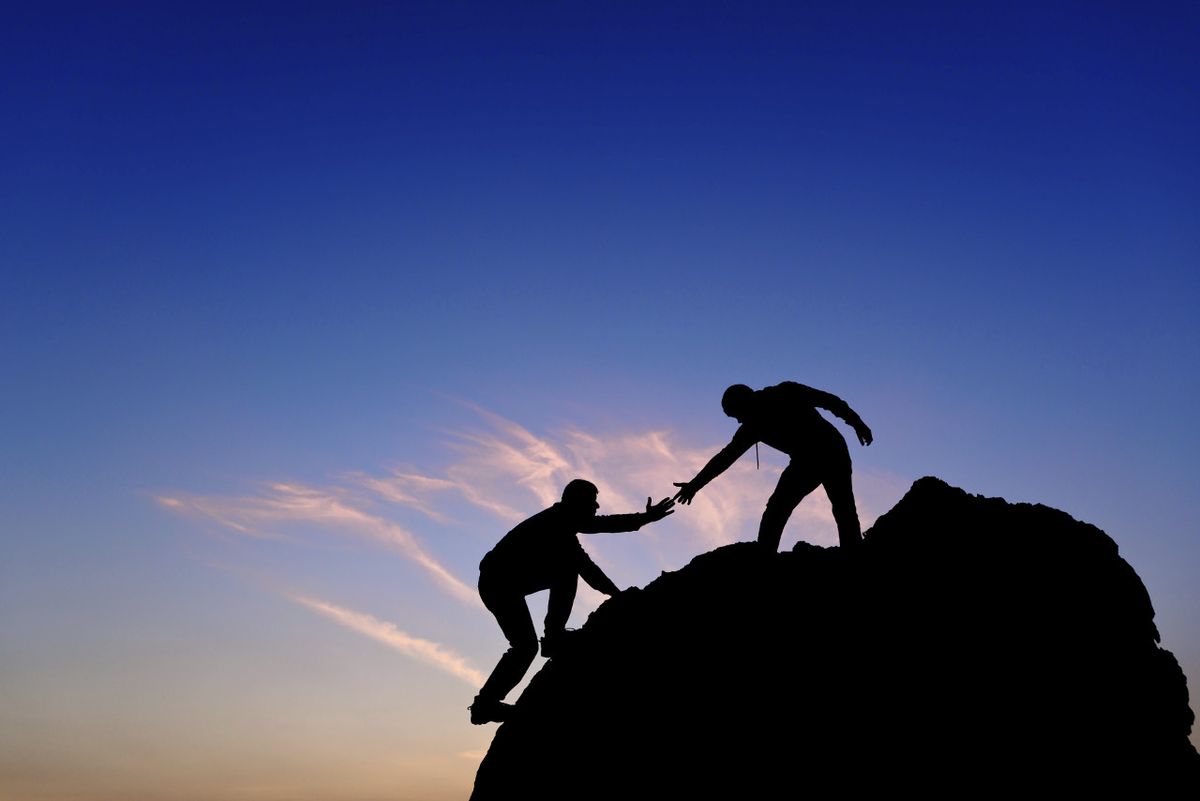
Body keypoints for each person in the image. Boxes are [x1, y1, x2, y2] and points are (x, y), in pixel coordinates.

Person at [470, 479, 675, 724]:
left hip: (504, 582)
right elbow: (589, 565)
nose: (597, 506)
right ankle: (488, 702)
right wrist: (618, 596)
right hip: (499, 583)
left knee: (528, 639)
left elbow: (599, 530)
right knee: (526, 645)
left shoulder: (562, 523)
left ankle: (548, 641)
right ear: (576, 502)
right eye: (592, 501)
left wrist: (643, 519)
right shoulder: (556, 524)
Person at [673, 382, 872, 552]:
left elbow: (828, 401)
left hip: (831, 450)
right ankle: (765, 558)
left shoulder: (786, 392)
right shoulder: (751, 427)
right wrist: (694, 486)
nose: (739, 420)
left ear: (745, 402)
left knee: (842, 506)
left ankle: (852, 555)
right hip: (805, 460)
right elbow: (724, 458)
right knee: (777, 509)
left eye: (737, 415)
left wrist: (857, 422)